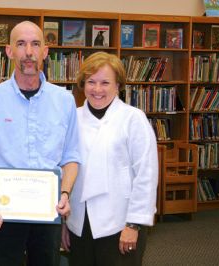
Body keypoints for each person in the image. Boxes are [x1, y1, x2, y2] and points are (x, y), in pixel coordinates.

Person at [0, 21, 80, 266]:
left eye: (35, 44)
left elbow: (71, 156)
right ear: (9, 51)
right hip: (3, 216)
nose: (29, 52)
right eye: (21, 44)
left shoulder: (65, 101)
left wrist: (66, 193)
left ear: (45, 52)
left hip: (47, 214)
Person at [62, 51, 158, 266]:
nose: (97, 89)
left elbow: (146, 175)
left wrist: (133, 225)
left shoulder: (133, 119)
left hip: (120, 222)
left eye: (105, 82)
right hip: (79, 222)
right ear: (82, 84)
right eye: (91, 82)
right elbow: (65, 170)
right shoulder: (73, 118)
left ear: (118, 86)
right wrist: (64, 223)